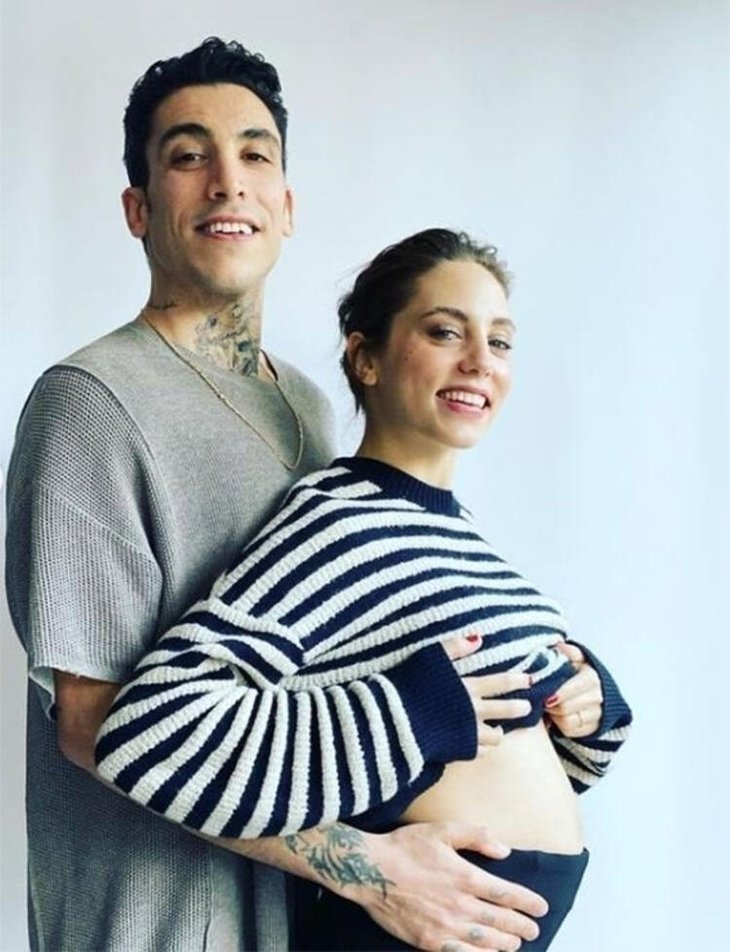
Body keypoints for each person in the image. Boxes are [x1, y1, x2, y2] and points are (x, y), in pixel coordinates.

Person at [5, 39, 550, 952]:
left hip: (301, 921)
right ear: (139, 208)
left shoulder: (309, 408)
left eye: (255, 155)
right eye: (189, 156)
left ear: (287, 205)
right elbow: (92, 724)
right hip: (156, 924)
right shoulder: (90, 404)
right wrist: (370, 868)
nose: (229, 182)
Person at [94, 227, 633, 951]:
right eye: (445, 331)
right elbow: (147, 734)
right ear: (366, 357)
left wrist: (590, 707)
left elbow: (527, 760)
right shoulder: (339, 520)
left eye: (500, 341)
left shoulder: (462, 539)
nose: (480, 361)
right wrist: (408, 712)